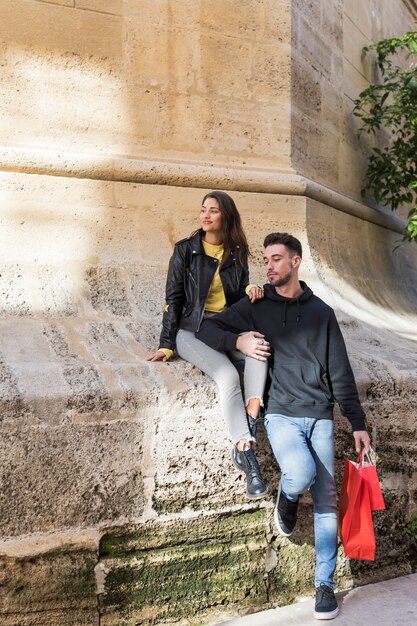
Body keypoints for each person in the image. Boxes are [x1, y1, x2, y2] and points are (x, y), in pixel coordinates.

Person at [196, 232, 371, 621]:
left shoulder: (322, 312)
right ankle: (287, 498)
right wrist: (239, 341)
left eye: (276, 259)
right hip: (280, 414)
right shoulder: (257, 306)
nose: (269, 266)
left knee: (326, 498)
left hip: (320, 414)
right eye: (266, 259)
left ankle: (324, 585)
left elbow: (340, 371)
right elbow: (207, 330)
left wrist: (357, 423)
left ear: (295, 262)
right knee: (302, 472)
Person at [147, 191, 269, 499]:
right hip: (191, 331)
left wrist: (251, 289)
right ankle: (247, 453)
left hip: (225, 326)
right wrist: (167, 345)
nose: (205, 215)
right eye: (203, 210)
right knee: (228, 376)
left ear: (225, 216)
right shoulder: (185, 250)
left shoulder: (236, 252)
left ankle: (250, 418)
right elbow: (173, 300)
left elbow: (237, 293)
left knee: (259, 347)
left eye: (213, 211)